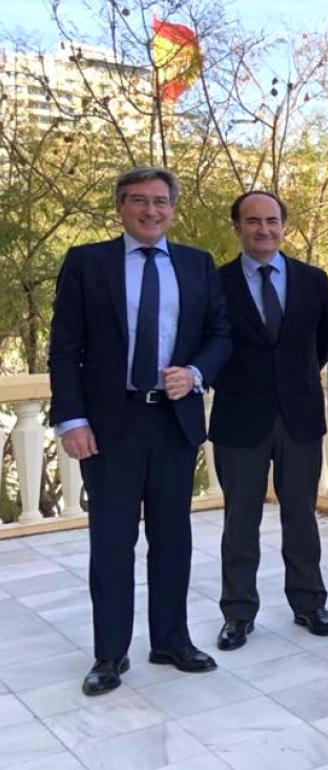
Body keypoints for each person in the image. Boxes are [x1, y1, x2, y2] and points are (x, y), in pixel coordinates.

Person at [48, 167, 232, 695]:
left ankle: (171, 639)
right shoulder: (88, 262)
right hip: (110, 425)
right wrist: (72, 419)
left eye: (160, 202)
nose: (151, 211)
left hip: (173, 421)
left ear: (173, 208)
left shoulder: (197, 265)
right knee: (112, 541)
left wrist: (195, 373)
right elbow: (65, 347)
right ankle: (110, 654)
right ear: (120, 207)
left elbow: (221, 334)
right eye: (139, 201)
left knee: (173, 537)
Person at [210, 190, 328, 651]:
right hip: (240, 419)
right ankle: (238, 613)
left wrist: (296, 381)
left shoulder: (312, 280)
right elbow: (208, 341)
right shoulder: (215, 281)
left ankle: (309, 602)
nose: (263, 229)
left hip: (299, 416)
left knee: (301, 516)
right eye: (252, 221)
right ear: (237, 228)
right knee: (239, 521)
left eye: (271, 221)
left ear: (284, 226)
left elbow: (323, 343)